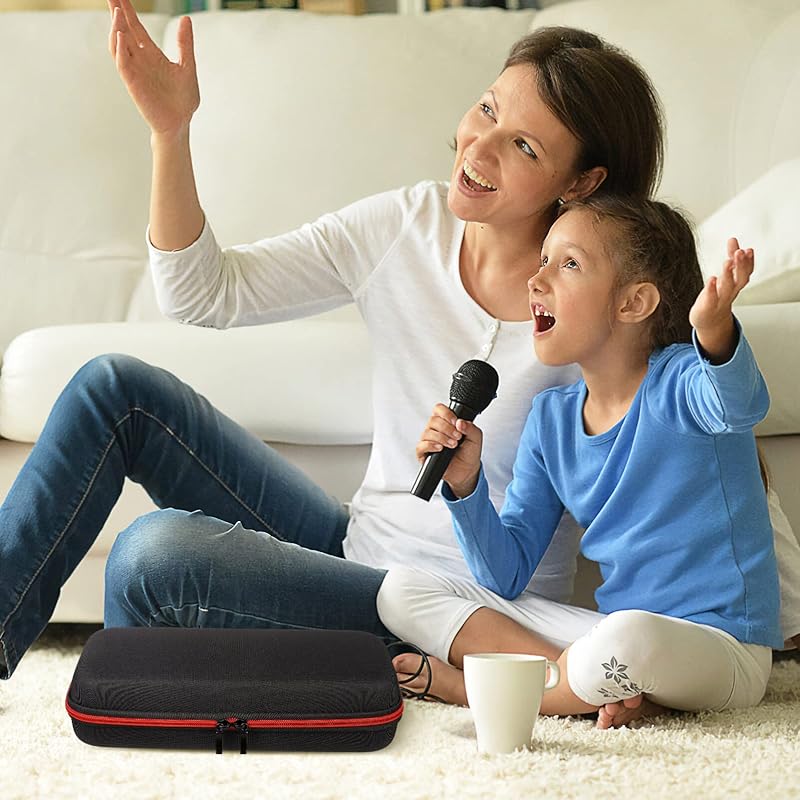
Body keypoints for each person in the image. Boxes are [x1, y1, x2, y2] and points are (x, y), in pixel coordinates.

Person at [1, 0, 798, 687]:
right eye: (488, 111)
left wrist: (752, 634)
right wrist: (170, 134)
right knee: (114, 388)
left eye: (525, 146)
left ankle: (148, 696)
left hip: (452, 607)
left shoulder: (601, 315)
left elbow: (708, 446)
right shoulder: (407, 225)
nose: (478, 150)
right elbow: (204, 292)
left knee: (153, 554)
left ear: (581, 183)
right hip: (351, 545)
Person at [377, 196, 782, 728]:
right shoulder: (551, 419)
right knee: (402, 590)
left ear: (634, 303)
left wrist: (714, 331)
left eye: (567, 264)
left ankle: (479, 689)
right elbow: (505, 573)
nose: (536, 278)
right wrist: (466, 485)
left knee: (627, 638)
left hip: (722, 648)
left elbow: (741, 405)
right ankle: (594, 685)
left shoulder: (684, 382)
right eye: (543, 259)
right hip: (615, 635)